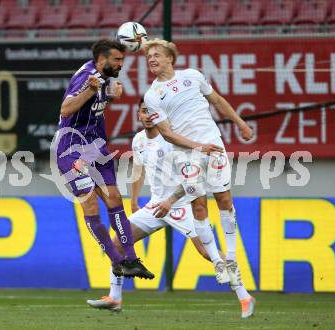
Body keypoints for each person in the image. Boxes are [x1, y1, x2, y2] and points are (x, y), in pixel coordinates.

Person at [87, 98, 254, 319]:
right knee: (118, 243)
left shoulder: (173, 139)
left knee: (207, 253)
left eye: (151, 112)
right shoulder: (138, 140)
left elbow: (193, 177)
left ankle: (244, 296)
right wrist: (135, 200)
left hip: (182, 204)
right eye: (143, 112)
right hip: (155, 206)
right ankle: (115, 297)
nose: (147, 115)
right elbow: (138, 170)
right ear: (138, 115)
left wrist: (171, 200)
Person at [142, 39, 255, 317]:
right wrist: (196, 146)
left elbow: (216, 100)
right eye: (148, 57)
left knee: (224, 199)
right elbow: (167, 133)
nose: (152, 59)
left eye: (157, 55)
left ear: (170, 58)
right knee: (199, 206)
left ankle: (229, 257)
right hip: (187, 154)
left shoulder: (193, 76)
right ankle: (219, 262)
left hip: (213, 143)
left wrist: (240, 122)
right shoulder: (152, 95)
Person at [56, 39, 153, 279]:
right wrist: (91, 89)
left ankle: (131, 259)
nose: (122, 64)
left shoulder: (103, 77)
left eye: (122, 59)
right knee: (90, 204)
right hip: (72, 148)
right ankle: (116, 260)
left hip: (95, 146)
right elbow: (66, 110)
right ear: (102, 61)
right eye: (117, 60)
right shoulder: (87, 77)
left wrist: (109, 97)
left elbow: (92, 106)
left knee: (114, 199)